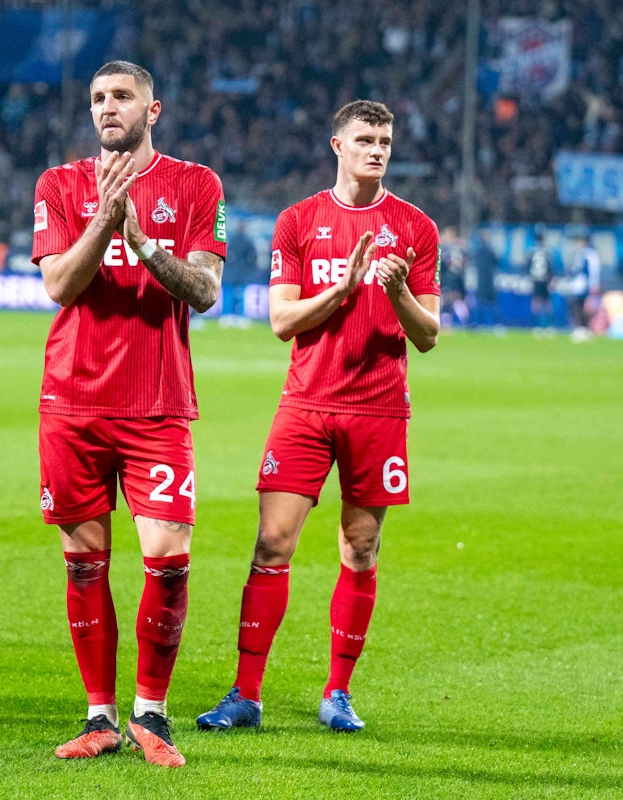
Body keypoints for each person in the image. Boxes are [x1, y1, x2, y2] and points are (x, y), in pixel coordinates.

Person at [196, 99, 440, 735]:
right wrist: (341, 289)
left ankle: (338, 692)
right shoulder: (299, 221)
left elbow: (429, 334)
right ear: (337, 145)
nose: (377, 149)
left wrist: (395, 291)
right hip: (306, 404)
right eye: (365, 138)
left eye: (385, 139)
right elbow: (281, 321)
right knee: (271, 544)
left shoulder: (416, 228)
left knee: (360, 547)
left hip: (379, 408)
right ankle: (246, 695)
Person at [32, 60, 226, 767]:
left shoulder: (196, 185)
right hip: (73, 400)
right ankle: (99, 716)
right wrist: (103, 224)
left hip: (157, 404)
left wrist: (141, 240)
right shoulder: (59, 185)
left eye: (121, 97)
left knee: (167, 560)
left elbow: (204, 289)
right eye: (96, 99)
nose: (106, 108)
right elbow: (57, 283)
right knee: (83, 564)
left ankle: (151, 712)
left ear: (153, 109)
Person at [564, 234, 601, 340]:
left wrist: (594, 284)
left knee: (584, 306)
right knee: (576, 305)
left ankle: (584, 328)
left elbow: (594, 270)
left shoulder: (590, 254)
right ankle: (580, 328)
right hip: (577, 284)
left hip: (584, 284)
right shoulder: (580, 253)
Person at [527, 233, 555, 333]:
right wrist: (551, 279)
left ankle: (538, 326)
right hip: (545, 279)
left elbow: (527, 265)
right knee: (547, 303)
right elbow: (550, 266)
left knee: (536, 303)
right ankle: (548, 326)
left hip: (536, 279)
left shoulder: (532, 251)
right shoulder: (547, 251)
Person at [472, 230, 499, 329]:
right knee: (490, 302)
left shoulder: (478, 251)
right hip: (488, 279)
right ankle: (490, 323)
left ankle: (479, 323)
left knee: (481, 302)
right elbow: (496, 262)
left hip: (480, 279)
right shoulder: (491, 250)